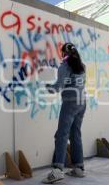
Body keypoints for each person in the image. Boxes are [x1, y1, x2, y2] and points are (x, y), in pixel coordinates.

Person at [42, 43, 87, 184]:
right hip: (82, 102)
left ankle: (57, 170)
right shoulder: (82, 66)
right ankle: (79, 168)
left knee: (61, 135)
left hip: (70, 102)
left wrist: (46, 87)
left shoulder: (64, 66)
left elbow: (58, 87)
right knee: (75, 134)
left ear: (64, 53)